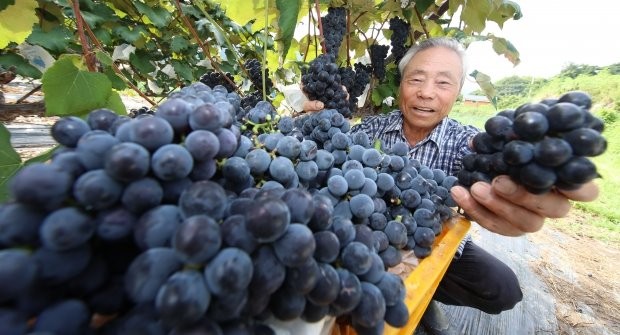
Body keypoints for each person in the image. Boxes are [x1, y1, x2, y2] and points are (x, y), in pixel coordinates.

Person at [301, 37, 600, 334]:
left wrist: (523, 177)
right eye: (416, 79)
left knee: (502, 288)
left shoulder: (464, 142)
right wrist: (310, 124)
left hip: (429, 241)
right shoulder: (370, 129)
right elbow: (332, 159)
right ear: (401, 83)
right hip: (373, 238)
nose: (426, 93)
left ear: (458, 92)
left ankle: (427, 294)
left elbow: (486, 168)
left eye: (443, 83)